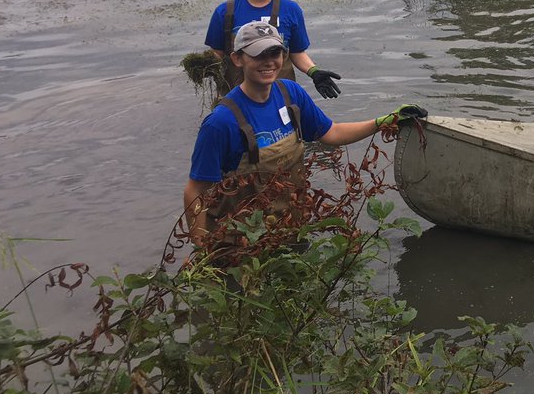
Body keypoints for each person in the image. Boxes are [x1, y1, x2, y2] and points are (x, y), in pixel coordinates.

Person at [182, 20, 425, 251]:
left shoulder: (291, 93)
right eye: (258, 55)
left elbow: (331, 132)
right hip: (240, 242)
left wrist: (385, 121)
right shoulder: (221, 122)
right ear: (237, 59)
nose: (268, 62)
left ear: (283, 56)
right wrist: (202, 249)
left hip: (290, 226)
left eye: (274, 53)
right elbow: (195, 190)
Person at [204, 0, 342, 99]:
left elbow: (296, 52)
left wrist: (314, 72)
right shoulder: (225, 12)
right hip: (235, 100)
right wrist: (202, 67)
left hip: (281, 99)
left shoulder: (290, 10)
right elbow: (216, 54)